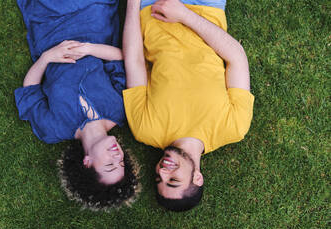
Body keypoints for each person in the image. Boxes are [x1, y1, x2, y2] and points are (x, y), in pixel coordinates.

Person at [122, 0, 254, 211]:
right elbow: (237, 58)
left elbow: (134, 60)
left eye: (158, 179)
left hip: (152, 9)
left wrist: (132, 4)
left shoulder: (145, 129)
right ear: (198, 178)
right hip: (206, 8)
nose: (163, 172)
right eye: (173, 180)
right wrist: (184, 15)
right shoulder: (234, 127)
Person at [15, 0, 138, 209]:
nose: (117, 156)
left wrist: (46, 58)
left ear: (87, 162)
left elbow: (30, 91)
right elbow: (121, 58)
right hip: (95, 19)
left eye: (109, 164)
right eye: (121, 163)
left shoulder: (53, 129)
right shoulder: (121, 110)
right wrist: (89, 49)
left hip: (49, 28)